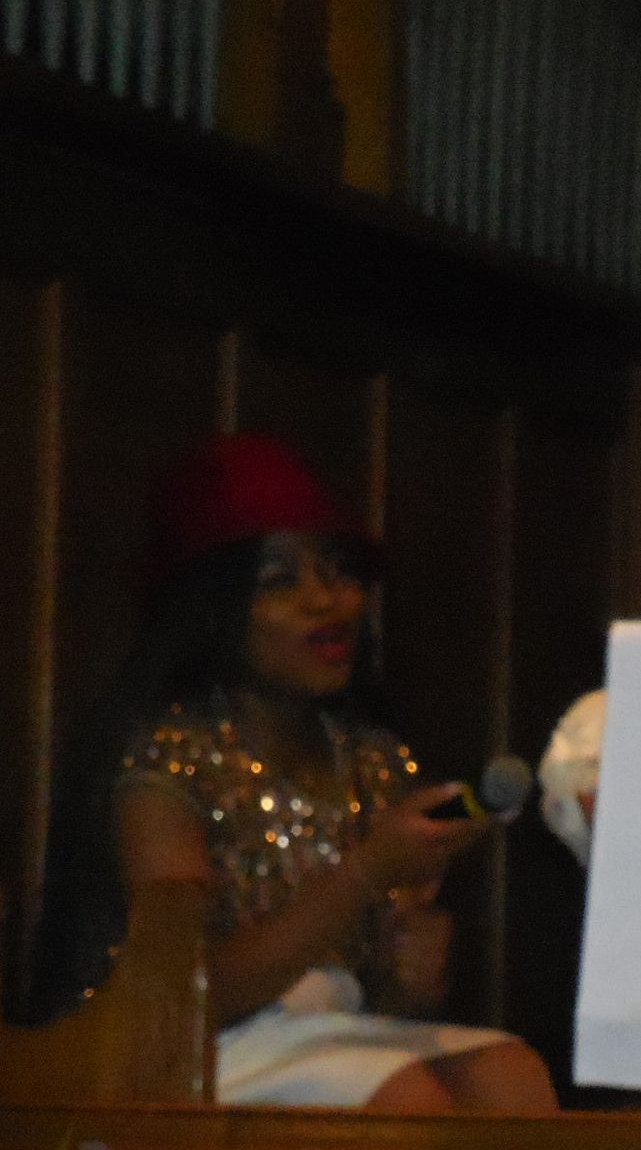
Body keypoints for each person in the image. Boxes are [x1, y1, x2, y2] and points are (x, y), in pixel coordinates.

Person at [59, 433, 558, 1111]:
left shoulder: (370, 757)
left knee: (512, 1076)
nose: (328, 601)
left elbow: (370, 994)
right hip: (189, 1054)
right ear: (212, 608)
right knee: (405, 1101)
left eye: (337, 570)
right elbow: (186, 994)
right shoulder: (164, 762)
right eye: (281, 580)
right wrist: (365, 872)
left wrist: (413, 977)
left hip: (327, 1034)